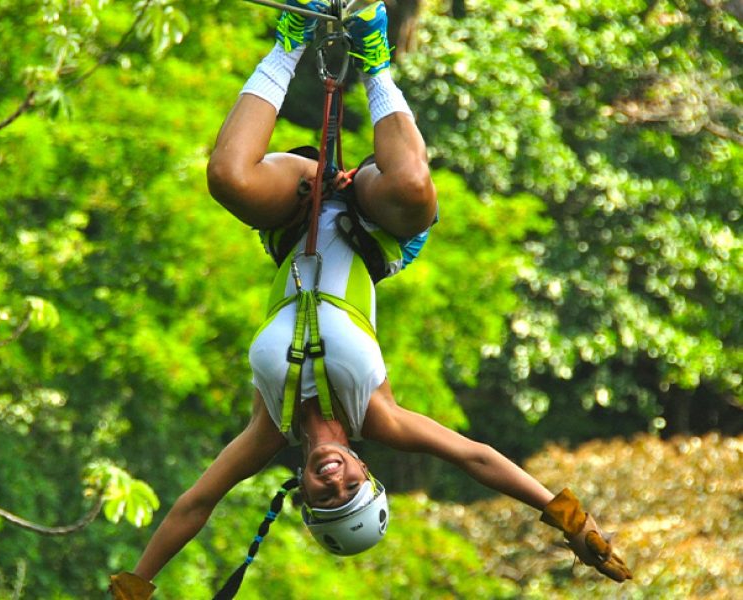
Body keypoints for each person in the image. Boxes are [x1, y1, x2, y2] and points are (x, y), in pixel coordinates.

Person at [109, 2, 632, 598]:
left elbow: (195, 503)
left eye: (326, 501)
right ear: (366, 473)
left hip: (294, 217)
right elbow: (476, 459)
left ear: (303, 496)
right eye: (350, 491)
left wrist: (138, 584)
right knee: (413, 186)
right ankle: (374, 57)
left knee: (227, 177)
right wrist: (567, 518)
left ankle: (290, 40)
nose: (334, 485)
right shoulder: (377, 415)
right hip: (375, 228)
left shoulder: (268, 428)